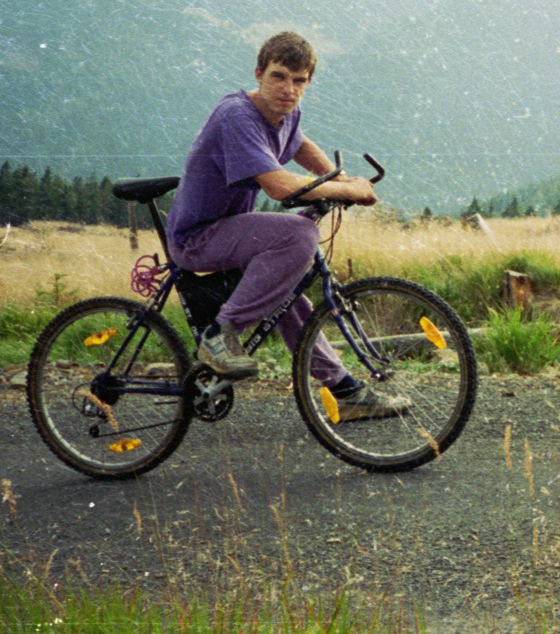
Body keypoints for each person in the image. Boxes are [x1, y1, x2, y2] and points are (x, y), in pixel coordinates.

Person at [166, 30, 406, 419]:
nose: (288, 89)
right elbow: (278, 185)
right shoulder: (237, 115)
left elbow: (298, 144)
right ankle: (219, 337)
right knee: (297, 233)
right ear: (259, 73)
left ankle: (344, 392)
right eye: (278, 76)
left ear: (308, 83)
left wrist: (340, 181)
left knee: (290, 291)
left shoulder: (285, 111)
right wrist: (345, 191)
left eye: (299, 81)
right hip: (197, 239)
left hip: (230, 232)